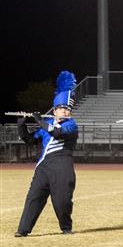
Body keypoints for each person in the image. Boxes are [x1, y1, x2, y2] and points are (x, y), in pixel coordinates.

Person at [15, 71, 79, 237]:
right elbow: (30, 140)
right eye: (61, 109)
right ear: (54, 111)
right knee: (34, 197)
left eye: (67, 109)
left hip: (62, 165)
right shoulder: (47, 124)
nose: (65, 111)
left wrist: (39, 121)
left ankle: (66, 227)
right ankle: (23, 230)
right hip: (44, 167)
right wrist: (21, 125)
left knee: (62, 200)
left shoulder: (72, 125)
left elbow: (57, 133)